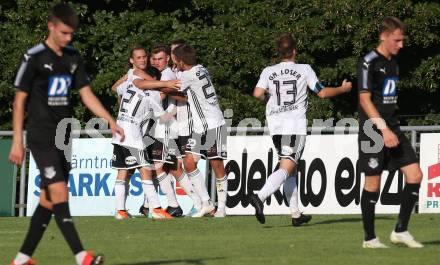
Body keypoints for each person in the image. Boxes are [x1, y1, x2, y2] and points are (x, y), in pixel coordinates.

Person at [8, 3, 125, 265]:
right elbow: (19, 102)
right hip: (40, 136)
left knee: (49, 200)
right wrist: (18, 140)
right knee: (60, 194)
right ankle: (82, 257)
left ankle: (21, 260)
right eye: (64, 33)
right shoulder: (34, 57)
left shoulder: (73, 57)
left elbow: (86, 94)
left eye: (71, 34)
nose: (68, 38)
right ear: (51, 27)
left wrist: (110, 120)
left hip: (64, 136)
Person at [251, 33, 352, 226]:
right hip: (294, 125)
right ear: (294, 51)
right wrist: (343, 89)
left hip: (276, 125)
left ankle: (296, 215)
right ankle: (260, 196)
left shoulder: (268, 71)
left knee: (292, 167)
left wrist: (269, 101)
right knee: (287, 165)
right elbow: (321, 92)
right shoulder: (304, 69)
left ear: (279, 52)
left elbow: (257, 93)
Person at [357, 17, 423, 248]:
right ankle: (369, 239)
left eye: (402, 40)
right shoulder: (368, 61)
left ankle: (401, 231)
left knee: (415, 175)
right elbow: (364, 99)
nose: (401, 45)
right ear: (384, 36)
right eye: (397, 40)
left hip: (391, 126)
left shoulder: (394, 62)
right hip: (372, 129)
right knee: (373, 182)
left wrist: (389, 127)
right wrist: (382, 129)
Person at [111, 50, 178, 220]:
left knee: (123, 171)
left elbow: (116, 89)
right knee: (146, 170)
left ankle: (120, 211)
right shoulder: (153, 93)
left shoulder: (129, 81)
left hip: (119, 130)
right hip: (132, 134)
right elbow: (161, 114)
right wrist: (168, 87)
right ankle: (156, 208)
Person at [141, 44, 202, 217]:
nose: (156, 62)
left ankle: (174, 204)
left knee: (159, 166)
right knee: (172, 167)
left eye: (160, 59)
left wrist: (166, 115)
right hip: (164, 127)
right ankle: (195, 202)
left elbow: (173, 98)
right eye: (154, 59)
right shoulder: (162, 75)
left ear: (167, 58)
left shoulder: (167, 74)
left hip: (165, 128)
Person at [171, 44, 228, 217]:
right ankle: (207, 204)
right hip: (199, 128)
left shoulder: (187, 75)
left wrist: (151, 85)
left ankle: (222, 209)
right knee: (188, 163)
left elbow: (171, 88)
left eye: (175, 60)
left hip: (212, 124)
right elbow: (187, 94)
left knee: (217, 166)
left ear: (181, 61)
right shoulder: (200, 69)